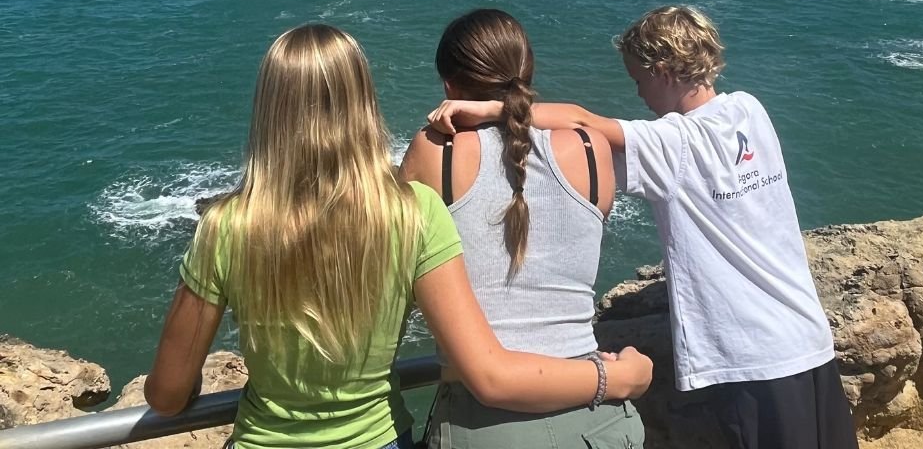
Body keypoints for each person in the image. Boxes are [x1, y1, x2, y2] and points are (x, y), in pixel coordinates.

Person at [144, 24, 652, 449]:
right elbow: (485, 365)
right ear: (364, 100)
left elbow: (167, 396)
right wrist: (617, 378)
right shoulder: (414, 212)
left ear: (268, 107)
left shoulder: (226, 225)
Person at [427, 6, 858, 449]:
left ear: (665, 71)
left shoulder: (673, 144)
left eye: (638, 80)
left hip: (749, 353)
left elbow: (582, 122)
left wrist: (492, 111)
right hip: (807, 335)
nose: (638, 94)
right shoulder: (750, 110)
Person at [399, 9, 645, 449]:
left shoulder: (436, 152)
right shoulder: (592, 151)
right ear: (527, 72)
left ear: (449, 87)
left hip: (484, 424)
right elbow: (580, 120)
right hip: (598, 414)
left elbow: (399, 268)